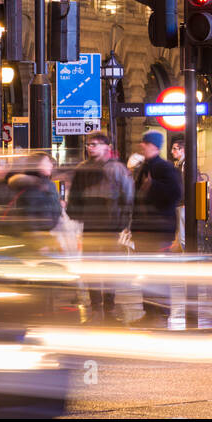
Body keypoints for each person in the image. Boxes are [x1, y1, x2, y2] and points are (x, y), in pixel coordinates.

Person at [68, 131, 134, 322]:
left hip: (111, 226)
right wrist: (77, 215)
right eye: (89, 144)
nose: (90, 147)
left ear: (107, 146)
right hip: (90, 225)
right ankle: (96, 306)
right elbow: (75, 197)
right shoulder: (82, 169)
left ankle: (109, 305)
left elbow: (127, 197)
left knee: (109, 267)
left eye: (95, 144)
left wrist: (124, 222)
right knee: (92, 267)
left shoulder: (117, 169)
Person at [131, 130, 184, 324]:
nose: (141, 145)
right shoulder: (143, 167)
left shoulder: (165, 167)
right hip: (143, 230)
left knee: (158, 274)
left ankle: (161, 312)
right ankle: (149, 312)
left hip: (159, 231)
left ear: (153, 145)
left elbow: (175, 194)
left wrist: (152, 186)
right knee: (146, 274)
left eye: (144, 143)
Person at [5, 153, 64, 243]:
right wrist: (39, 243)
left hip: (49, 236)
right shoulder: (31, 186)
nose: (51, 165)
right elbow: (29, 219)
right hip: (36, 240)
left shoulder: (49, 184)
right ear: (38, 165)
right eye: (47, 162)